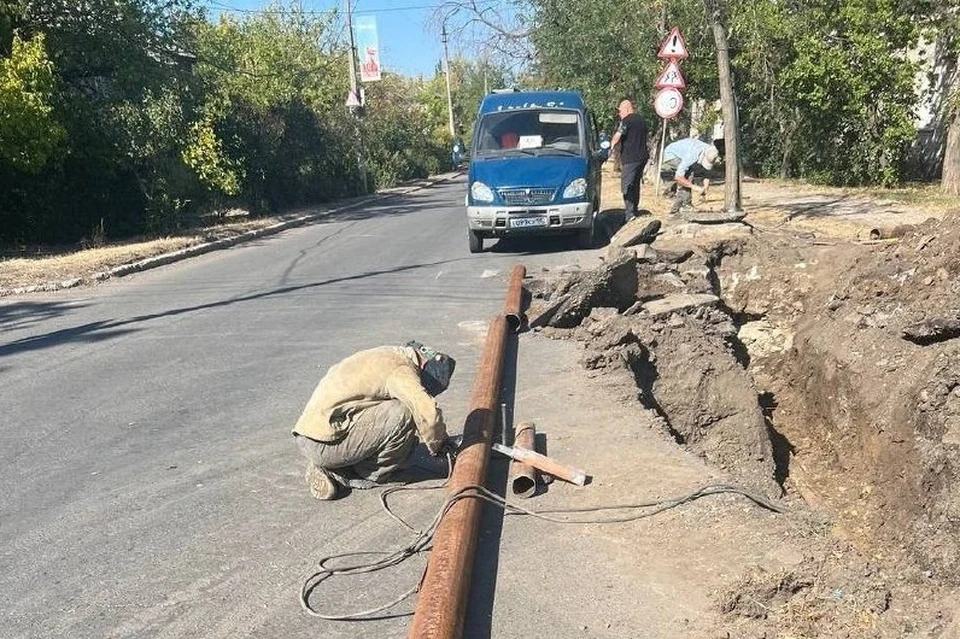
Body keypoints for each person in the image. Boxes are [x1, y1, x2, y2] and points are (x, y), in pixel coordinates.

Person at [292, 341, 457, 500]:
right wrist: (441, 445)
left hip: (312, 436)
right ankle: (365, 472)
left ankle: (333, 463)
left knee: (396, 420)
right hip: (325, 444)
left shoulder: (386, 355)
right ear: (425, 371)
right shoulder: (401, 371)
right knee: (404, 413)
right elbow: (427, 412)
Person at [608, 99, 649, 220]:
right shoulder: (642, 120)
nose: (619, 114)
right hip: (642, 157)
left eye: (620, 111)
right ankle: (634, 210)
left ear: (626, 109)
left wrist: (610, 148)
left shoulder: (626, 121)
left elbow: (617, 136)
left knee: (626, 186)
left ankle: (629, 214)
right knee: (635, 185)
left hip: (631, 158)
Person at [660, 138, 720, 215]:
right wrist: (695, 187)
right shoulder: (692, 156)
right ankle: (684, 205)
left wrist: (705, 186)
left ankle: (682, 206)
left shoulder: (710, 150)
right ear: (702, 157)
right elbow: (678, 177)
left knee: (689, 174)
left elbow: (706, 172)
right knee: (687, 176)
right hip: (672, 154)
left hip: (685, 152)